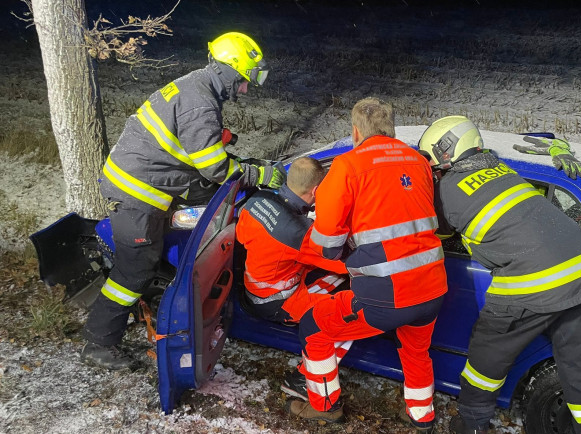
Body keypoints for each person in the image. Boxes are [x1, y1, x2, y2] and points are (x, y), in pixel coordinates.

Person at [81, 32, 285, 370]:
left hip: (152, 180)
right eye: (243, 80)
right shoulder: (200, 102)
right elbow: (215, 168)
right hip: (137, 192)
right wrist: (257, 175)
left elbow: (201, 157)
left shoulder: (196, 88)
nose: (245, 89)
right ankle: (99, 342)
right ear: (227, 70)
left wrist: (243, 166)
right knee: (135, 270)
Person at [418, 115, 581, 434]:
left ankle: (470, 424)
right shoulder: (507, 171)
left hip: (530, 284)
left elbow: (434, 233)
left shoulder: (447, 189)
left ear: (444, 152)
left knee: (485, 357)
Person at [282, 97, 448, 431]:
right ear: (391, 128)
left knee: (315, 326)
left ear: (356, 132)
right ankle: (421, 414)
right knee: (415, 349)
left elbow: (328, 244)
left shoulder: (347, 166)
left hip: (385, 294)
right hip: (432, 286)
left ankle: (325, 407)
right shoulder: (417, 161)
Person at [235, 157, 348, 325]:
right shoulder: (299, 233)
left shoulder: (256, 200)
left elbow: (241, 237)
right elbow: (342, 263)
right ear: (316, 191)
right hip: (276, 301)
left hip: (254, 288)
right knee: (351, 308)